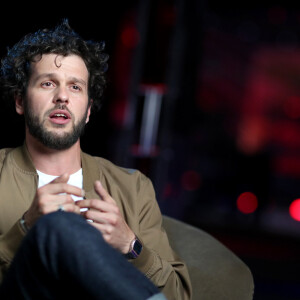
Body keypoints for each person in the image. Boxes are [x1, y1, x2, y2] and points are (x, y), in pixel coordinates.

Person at [0, 20, 192, 299]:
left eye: (75, 87)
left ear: (88, 110)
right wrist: (24, 228)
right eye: (48, 83)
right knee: (60, 224)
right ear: (20, 101)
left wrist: (131, 247)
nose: (62, 96)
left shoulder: (133, 188)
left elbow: (180, 294)